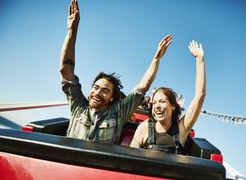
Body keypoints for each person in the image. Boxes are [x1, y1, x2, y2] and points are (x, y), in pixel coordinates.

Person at [60, 0, 172, 143]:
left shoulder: (118, 113)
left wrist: (157, 58)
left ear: (112, 97)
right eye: (95, 88)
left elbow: (143, 87)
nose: (98, 93)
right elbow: (65, 69)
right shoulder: (78, 106)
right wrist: (72, 31)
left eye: (105, 91)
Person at [130, 40, 206, 154]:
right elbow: (131, 159)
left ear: (173, 106)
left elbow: (200, 95)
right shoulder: (143, 128)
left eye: (162, 101)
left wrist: (200, 60)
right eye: (154, 103)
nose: (157, 106)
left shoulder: (182, 128)